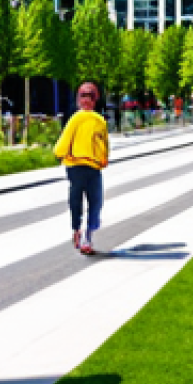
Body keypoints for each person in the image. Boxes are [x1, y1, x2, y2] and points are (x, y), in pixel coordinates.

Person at [55, 81, 110, 255]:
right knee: (80, 200)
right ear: (78, 99)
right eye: (83, 97)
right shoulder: (76, 119)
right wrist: (60, 153)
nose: (86, 100)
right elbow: (65, 139)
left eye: (90, 97)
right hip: (76, 165)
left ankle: (86, 235)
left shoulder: (99, 120)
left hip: (92, 166)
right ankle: (78, 230)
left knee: (93, 201)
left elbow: (104, 143)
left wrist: (103, 158)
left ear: (95, 100)